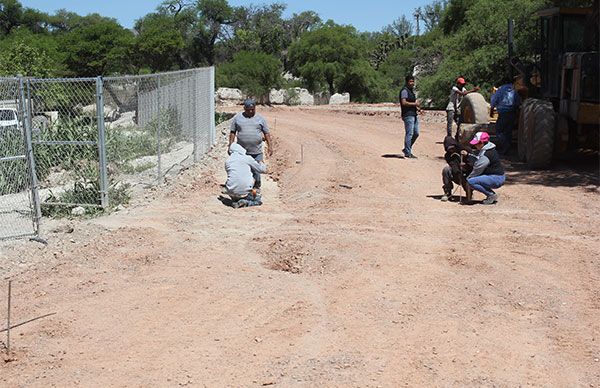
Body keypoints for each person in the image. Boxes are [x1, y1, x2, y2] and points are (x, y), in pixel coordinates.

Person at [229, 98, 273, 191]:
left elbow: (266, 133)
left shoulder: (260, 119)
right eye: (248, 109)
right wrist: (230, 145)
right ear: (244, 108)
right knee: (243, 170)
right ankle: (244, 187)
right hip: (241, 152)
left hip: (256, 151)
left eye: (253, 109)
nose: (251, 111)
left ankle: (256, 186)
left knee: (257, 169)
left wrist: (270, 146)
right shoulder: (237, 118)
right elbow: (232, 132)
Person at [462, 132, 505, 205]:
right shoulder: (487, 149)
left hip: (496, 178)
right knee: (472, 180)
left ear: (482, 143)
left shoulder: (486, 154)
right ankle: (491, 194)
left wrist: (469, 178)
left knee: (471, 181)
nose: (475, 145)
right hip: (497, 176)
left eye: (476, 143)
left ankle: (491, 195)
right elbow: (478, 159)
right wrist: (468, 155)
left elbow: (478, 168)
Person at [224, 143, 267, 208]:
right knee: (258, 200)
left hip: (231, 191)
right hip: (244, 192)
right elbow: (262, 170)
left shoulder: (227, 161)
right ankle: (246, 202)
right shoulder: (247, 158)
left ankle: (236, 201)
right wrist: (261, 163)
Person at [490, 79, 521, 155]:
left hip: (503, 113)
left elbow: (494, 100)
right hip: (512, 112)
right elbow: (518, 102)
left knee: (499, 130)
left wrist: (491, 109)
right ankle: (507, 149)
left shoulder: (500, 90)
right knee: (508, 131)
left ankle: (505, 146)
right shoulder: (514, 91)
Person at [441, 136, 472, 202]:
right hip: (457, 174)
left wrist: (467, 158)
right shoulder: (448, 155)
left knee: (466, 178)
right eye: (449, 149)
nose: (451, 150)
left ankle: (469, 194)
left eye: (452, 148)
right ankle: (447, 192)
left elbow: (474, 162)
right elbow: (453, 165)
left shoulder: (466, 149)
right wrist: (458, 170)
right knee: (446, 169)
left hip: (468, 174)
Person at [399, 75, 422, 158]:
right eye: (410, 81)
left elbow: (412, 102)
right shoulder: (404, 91)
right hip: (407, 115)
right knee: (410, 133)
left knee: (416, 133)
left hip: (414, 114)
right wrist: (414, 104)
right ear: (407, 82)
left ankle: (406, 148)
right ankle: (408, 152)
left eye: (413, 81)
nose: (412, 83)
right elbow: (404, 102)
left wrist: (417, 108)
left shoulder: (411, 91)